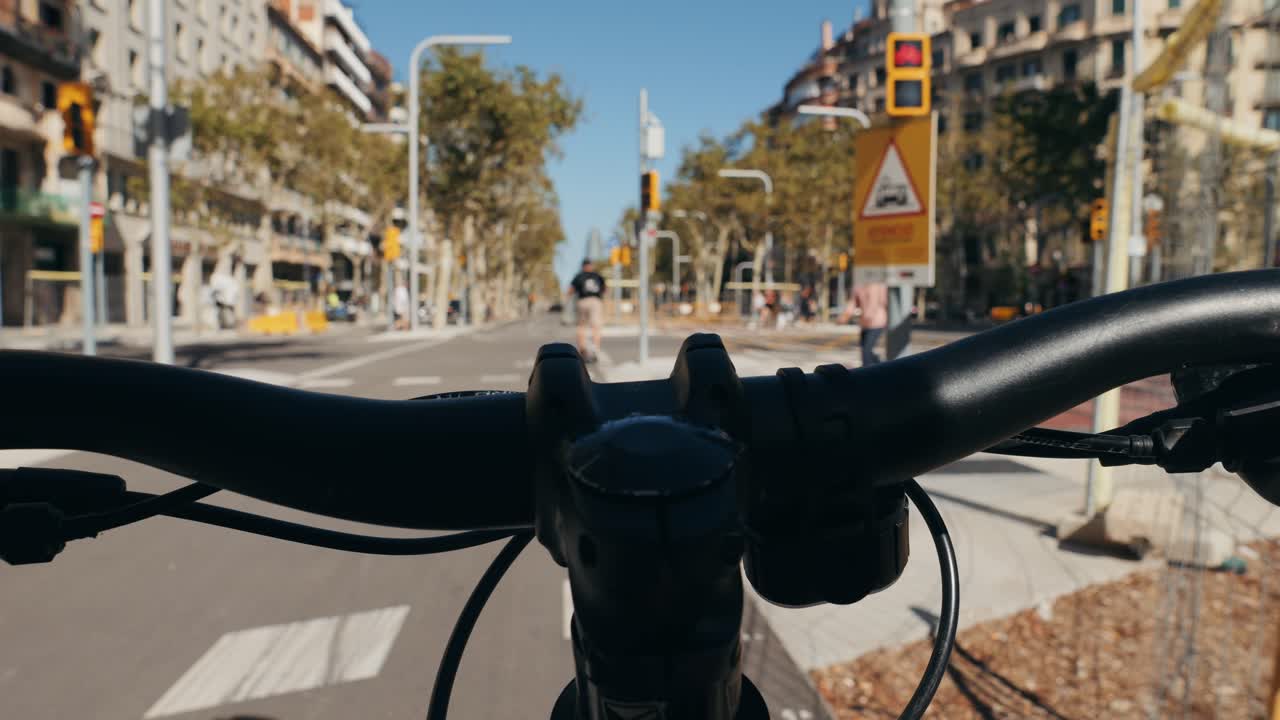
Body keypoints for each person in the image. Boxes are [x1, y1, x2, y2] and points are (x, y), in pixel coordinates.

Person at [569, 259, 606, 362]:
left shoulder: (579, 276)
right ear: (591, 266)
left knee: (581, 326)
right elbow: (604, 289)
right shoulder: (597, 276)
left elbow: (571, 290)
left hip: (582, 301)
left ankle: (583, 350)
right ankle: (595, 350)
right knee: (596, 326)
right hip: (595, 301)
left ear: (583, 266)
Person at [844, 282, 888, 366]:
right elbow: (853, 302)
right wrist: (845, 316)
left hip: (877, 322)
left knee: (866, 352)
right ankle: (880, 366)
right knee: (865, 350)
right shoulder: (858, 285)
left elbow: (884, 301)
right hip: (865, 324)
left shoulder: (879, 284)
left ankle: (868, 374)